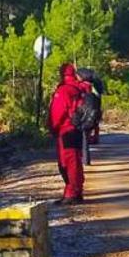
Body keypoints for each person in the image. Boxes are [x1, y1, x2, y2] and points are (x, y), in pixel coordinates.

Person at [47, 63, 84, 205]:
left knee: (67, 164)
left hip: (65, 130)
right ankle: (77, 191)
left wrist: (52, 128)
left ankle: (71, 193)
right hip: (77, 130)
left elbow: (57, 113)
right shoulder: (79, 88)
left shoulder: (63, 91)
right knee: (76, 162)